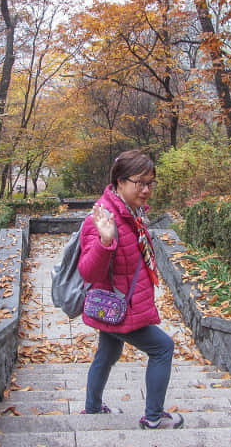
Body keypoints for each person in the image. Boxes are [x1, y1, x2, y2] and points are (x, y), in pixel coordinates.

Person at [77, 150, 184, 430]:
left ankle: (93, 409)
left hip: (116, 306)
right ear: (120, 182)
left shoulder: (131, 212)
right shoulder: (102, 219)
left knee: (108, 352)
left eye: (151, 183)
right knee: (163, 348)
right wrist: (105, 240)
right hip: (123, 310)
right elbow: (87, 271)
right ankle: (154, 417)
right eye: (140, 183)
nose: (147, 190)